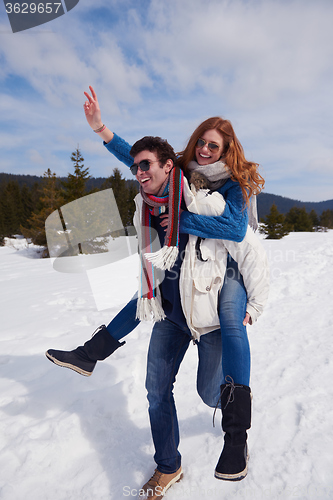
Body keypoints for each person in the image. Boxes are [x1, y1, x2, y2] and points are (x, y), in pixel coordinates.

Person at [46, 86, 268, 497]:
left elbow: (237, 230)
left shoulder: (234, 187)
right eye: (200, 141)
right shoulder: (180, 171)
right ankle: (169, 465)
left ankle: (233, 412)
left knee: (209, 389)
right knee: (155, 387)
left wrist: (180, 220)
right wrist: (102, 130)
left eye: (213, 145)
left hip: (213, 286)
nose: (203, 149)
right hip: (173, 297)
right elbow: (143, 159)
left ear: (227, 149)